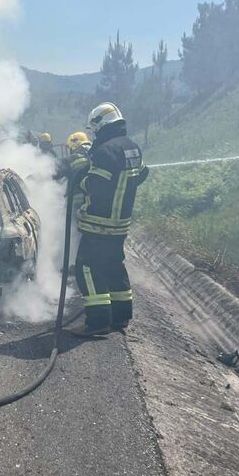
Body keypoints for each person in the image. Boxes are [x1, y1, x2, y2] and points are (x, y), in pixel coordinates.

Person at [71, 102, 149, 336]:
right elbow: (143, 173)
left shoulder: (105, 151)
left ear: (101, 125)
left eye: (94, 130)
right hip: (120, 224)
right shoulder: (132, 147)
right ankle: (120, 318)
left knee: (87, 267)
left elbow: (96, 185)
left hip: (99, 223)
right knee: (114, 266)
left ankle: (97, 322)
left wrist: (80, 181)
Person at [54, 132, 91, 267]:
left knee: (72, 231)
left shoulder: (73, 158)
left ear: (73, 145)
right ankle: (88, 260)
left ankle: (73, 263)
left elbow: (52, 172)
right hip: (95, 200)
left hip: (77, 199)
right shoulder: (96, 154)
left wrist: (30, 179)